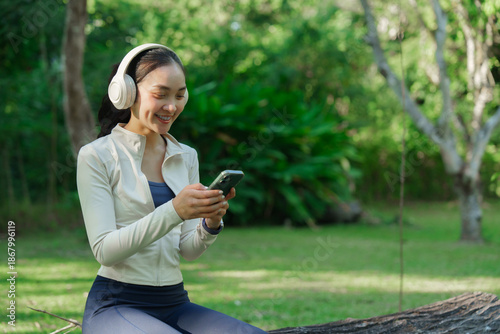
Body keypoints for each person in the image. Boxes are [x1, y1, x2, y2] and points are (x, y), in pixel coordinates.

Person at [77, 43, 266, 334]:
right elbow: (104, 250)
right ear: (126, 92)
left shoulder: (185, 155)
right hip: (116, 304)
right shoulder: (97, 156)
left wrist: (211, 222)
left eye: (180, 95)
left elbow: (187, 250)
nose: (172, 106)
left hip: (175, 301)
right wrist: (175, 210)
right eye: (160, 94)